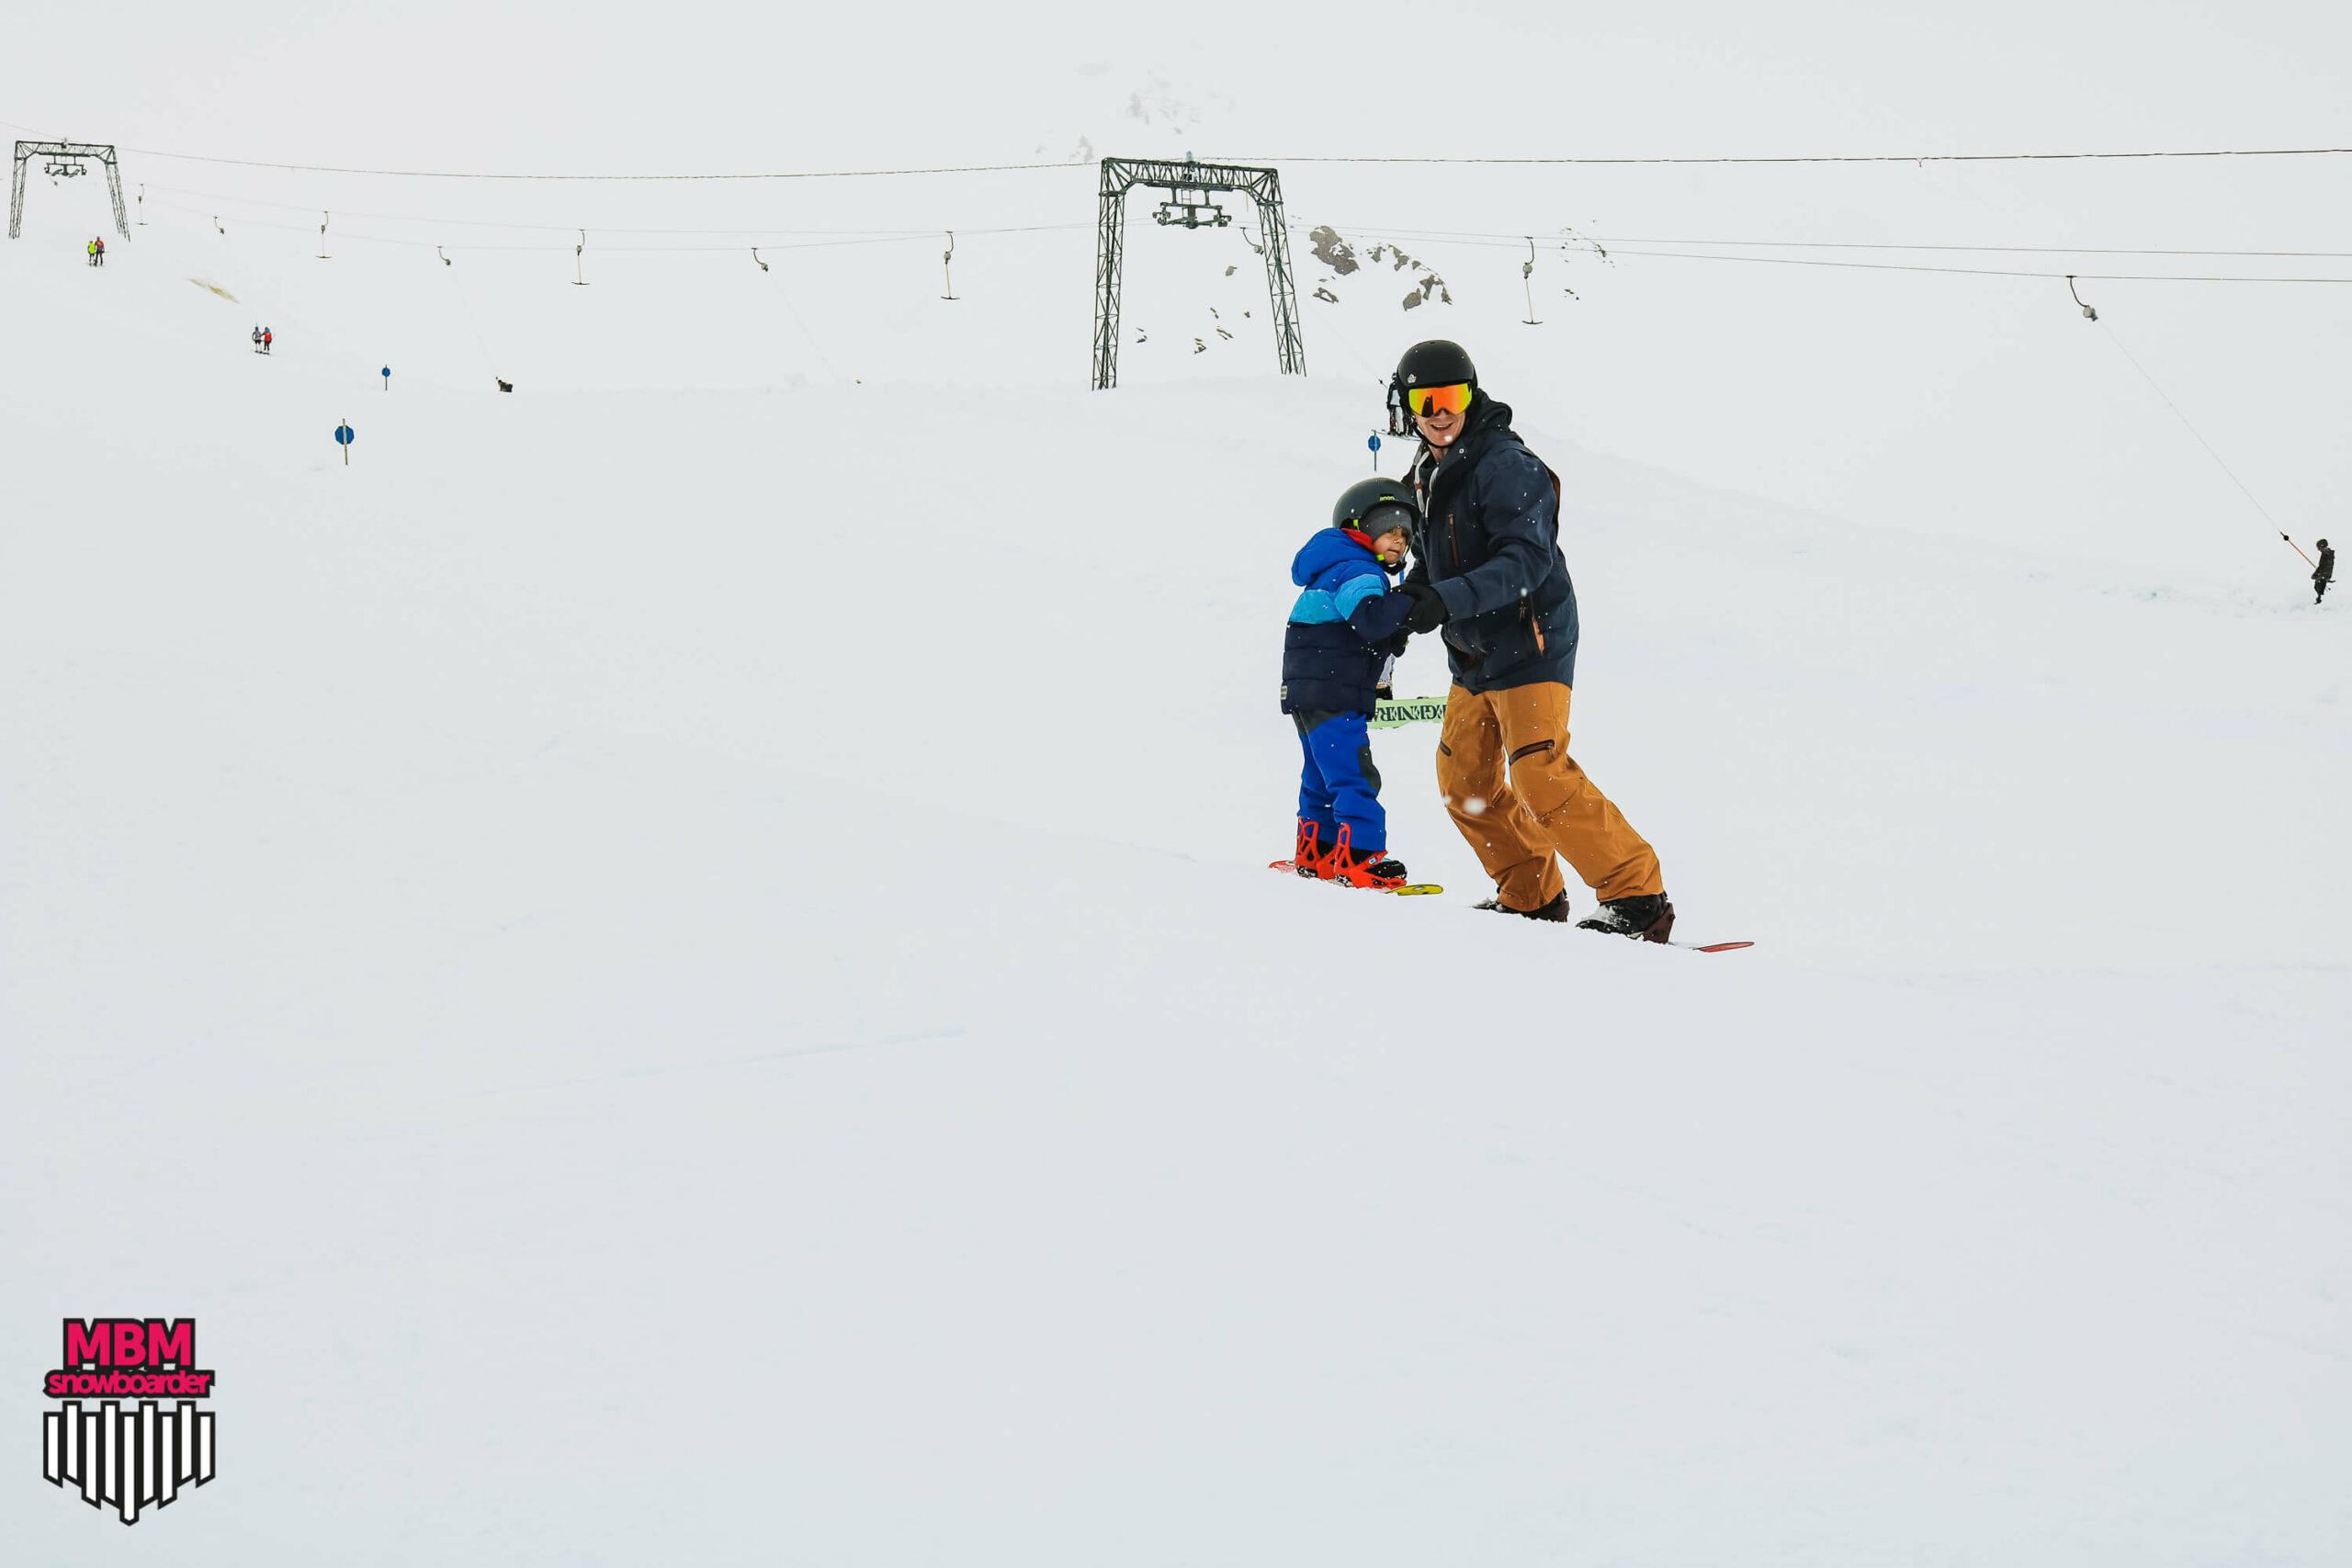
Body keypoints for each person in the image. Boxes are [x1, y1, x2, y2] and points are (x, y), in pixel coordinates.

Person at [1386, 339, 1674, 940]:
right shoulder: (1426, 471)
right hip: (1474, 651)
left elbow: (1524, 562)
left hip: (1531, 640)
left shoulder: (1504, 465)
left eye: (1454, 397)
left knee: (1538, 772)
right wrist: (1411, 600)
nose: (1441, 412)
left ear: (1472, 395)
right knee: (1463, 781)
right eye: (1426, 399)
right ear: (1408, 405)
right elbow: (1433, 561)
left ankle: (1637, 894)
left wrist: (1447, 598)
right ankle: (1531, 893)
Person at [1279, 477, 1420, 888]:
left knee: (1322, 773)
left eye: (1405, 534)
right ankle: (1361, 855)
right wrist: (1411, 600)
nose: (1397, 539)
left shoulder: (1330, 568)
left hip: (1308, 692)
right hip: (1335, 689)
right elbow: (1371, 620)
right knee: (1353, 773)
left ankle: (1318, 851)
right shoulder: (1358, 570)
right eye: (1388, 527)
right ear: (1358, 525)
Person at [2316, 538, 2335, 604]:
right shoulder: (2329, 553)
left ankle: (2319, 600)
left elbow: (2322, 566)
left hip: (2324, 575)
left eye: (2318, 548)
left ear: (2322, 546)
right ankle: (2319, 599)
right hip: (2326, 574)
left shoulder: (2325, 554)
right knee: (2318, 586)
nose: (2319, 550)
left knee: (2318, 586)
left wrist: (2317, 573)